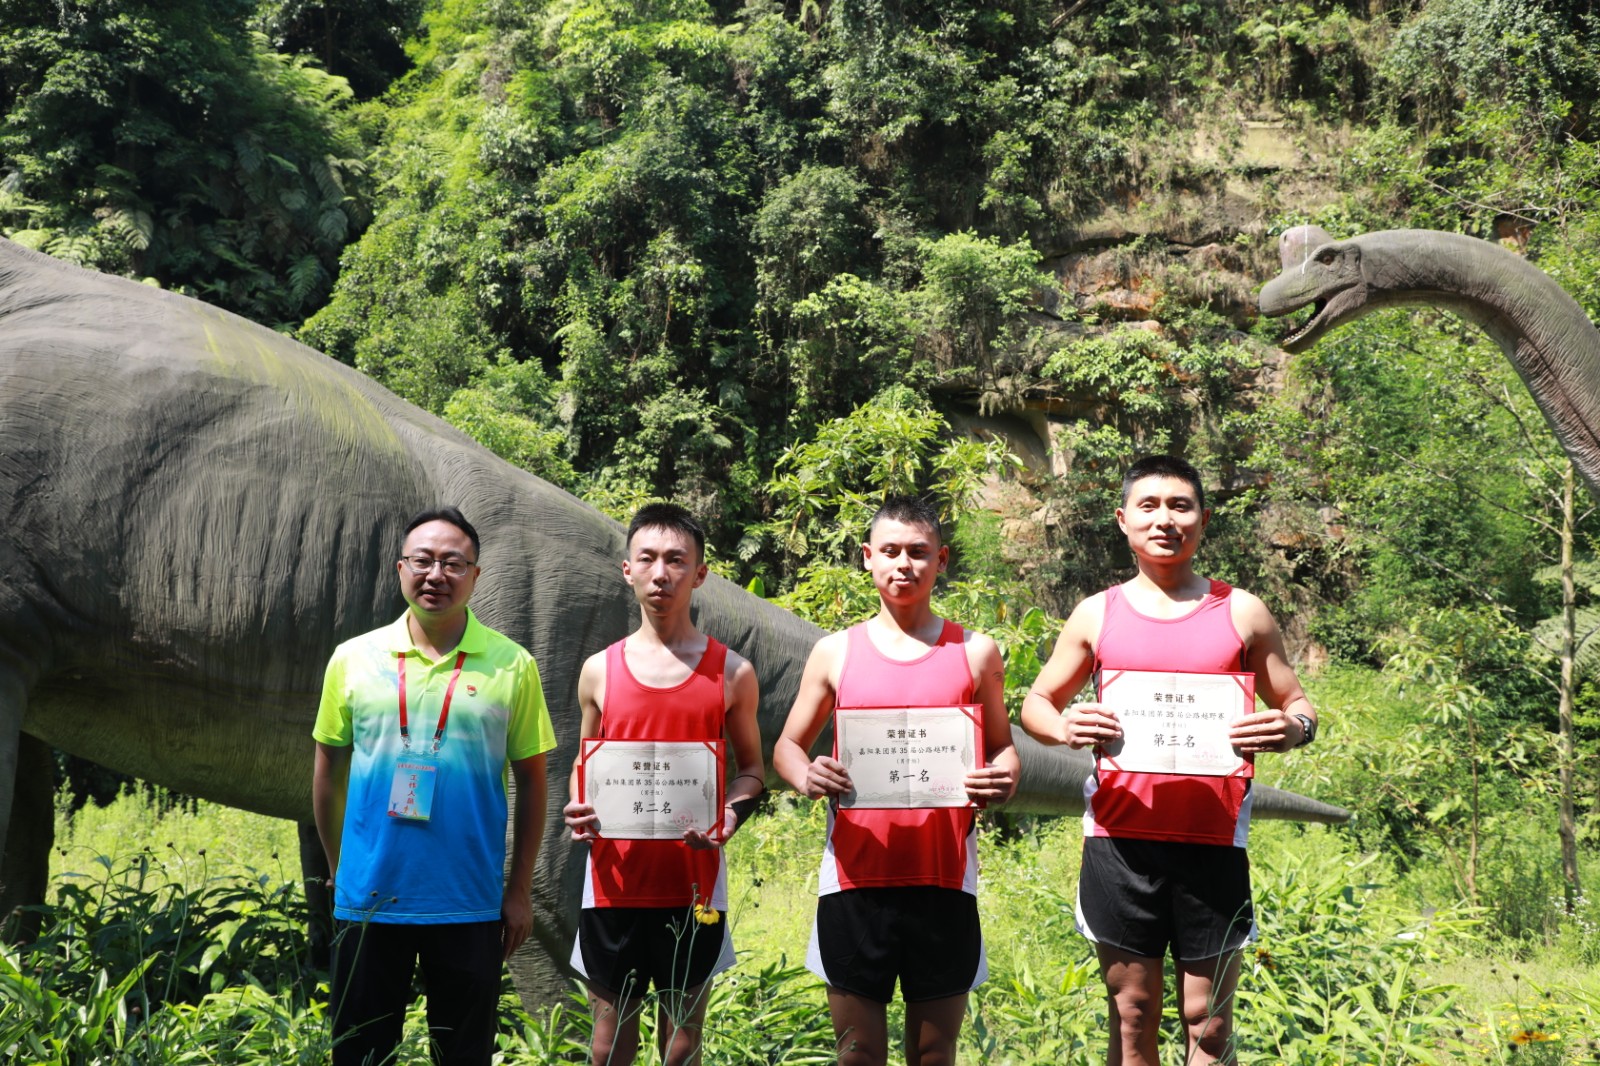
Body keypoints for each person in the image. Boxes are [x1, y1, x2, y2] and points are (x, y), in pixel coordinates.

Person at [1019, 454, 1319, 1066]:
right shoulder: (1097, 612)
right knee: (1133, 1013)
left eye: (1180, 506)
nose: (1165, 520)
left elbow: (1298, 704)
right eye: (1149, 506)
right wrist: (1066, 726)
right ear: (1122, 519)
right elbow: (1037, 705)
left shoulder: (1242, 612)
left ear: (1203, 520)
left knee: (1208, 1023)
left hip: (1213, 840)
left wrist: (1291, 728)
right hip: (1120, 841)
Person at [774, 495, 1018, 1066]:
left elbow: (1004, 747)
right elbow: (787, 747)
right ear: (867, 557)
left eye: (918, 551)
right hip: (854, 879)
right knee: (857, 1055)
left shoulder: (975, 652)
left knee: (934, 1054)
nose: (903, 564)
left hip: (945, 879)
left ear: (941, 560)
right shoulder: (835, 652)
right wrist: (808, 775)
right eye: (890, 551)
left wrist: (1002, 780)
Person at [311, 507, 556, 1066]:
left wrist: (518, 890)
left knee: (464, 1055)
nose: (436, 575)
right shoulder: (353, 659)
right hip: (369, 899)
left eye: (453, 563)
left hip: (469, 900)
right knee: (360, 1055)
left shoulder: (512, 665)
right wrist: (340, 867)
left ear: (476, 575)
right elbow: (327, 770)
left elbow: (533, 782)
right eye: (422, 561)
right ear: (400, 568)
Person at [562, 503, 764, 1066]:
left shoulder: (732, 672)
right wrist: (578, 805)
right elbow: (585, 764)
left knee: (681, 1046)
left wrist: (730, 815)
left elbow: (752, 769)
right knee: (608, 1047)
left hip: (694, 886)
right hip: (613, 885)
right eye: (647, 559)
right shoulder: (599, 670)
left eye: (676, 560)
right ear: (626, 569)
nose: (661, 574)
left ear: (700, 574)